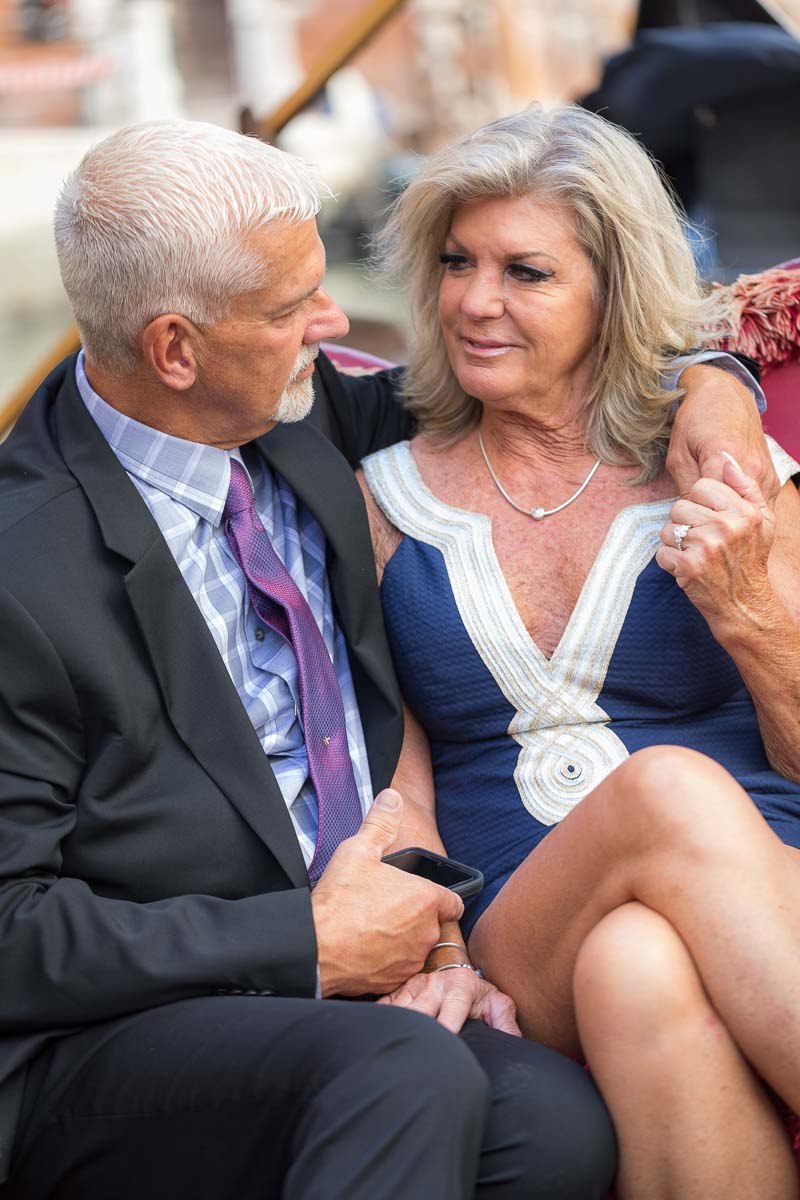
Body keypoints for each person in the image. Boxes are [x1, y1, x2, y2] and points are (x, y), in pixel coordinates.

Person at [0, 118, 770, 1199]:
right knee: (412, 1070)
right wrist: (303, 942)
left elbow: (565, 365)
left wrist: (714, 382)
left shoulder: (294, 415)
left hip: (378, 959)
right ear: (175, 349)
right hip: (142, 1024)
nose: (336, 324)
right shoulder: (20, 568)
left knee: (553, 1121)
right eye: (289, 309)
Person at [358, 104, 800, 1200]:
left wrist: (748, 611)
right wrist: (438, 948)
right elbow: (392, 775)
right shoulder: (377, 497)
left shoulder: (727, 467)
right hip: (521, 918)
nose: (473, 301)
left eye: (525, 272)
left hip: (763, 888)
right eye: (456, 262)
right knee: (659, 790)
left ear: (613, 288)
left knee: (636, 965)